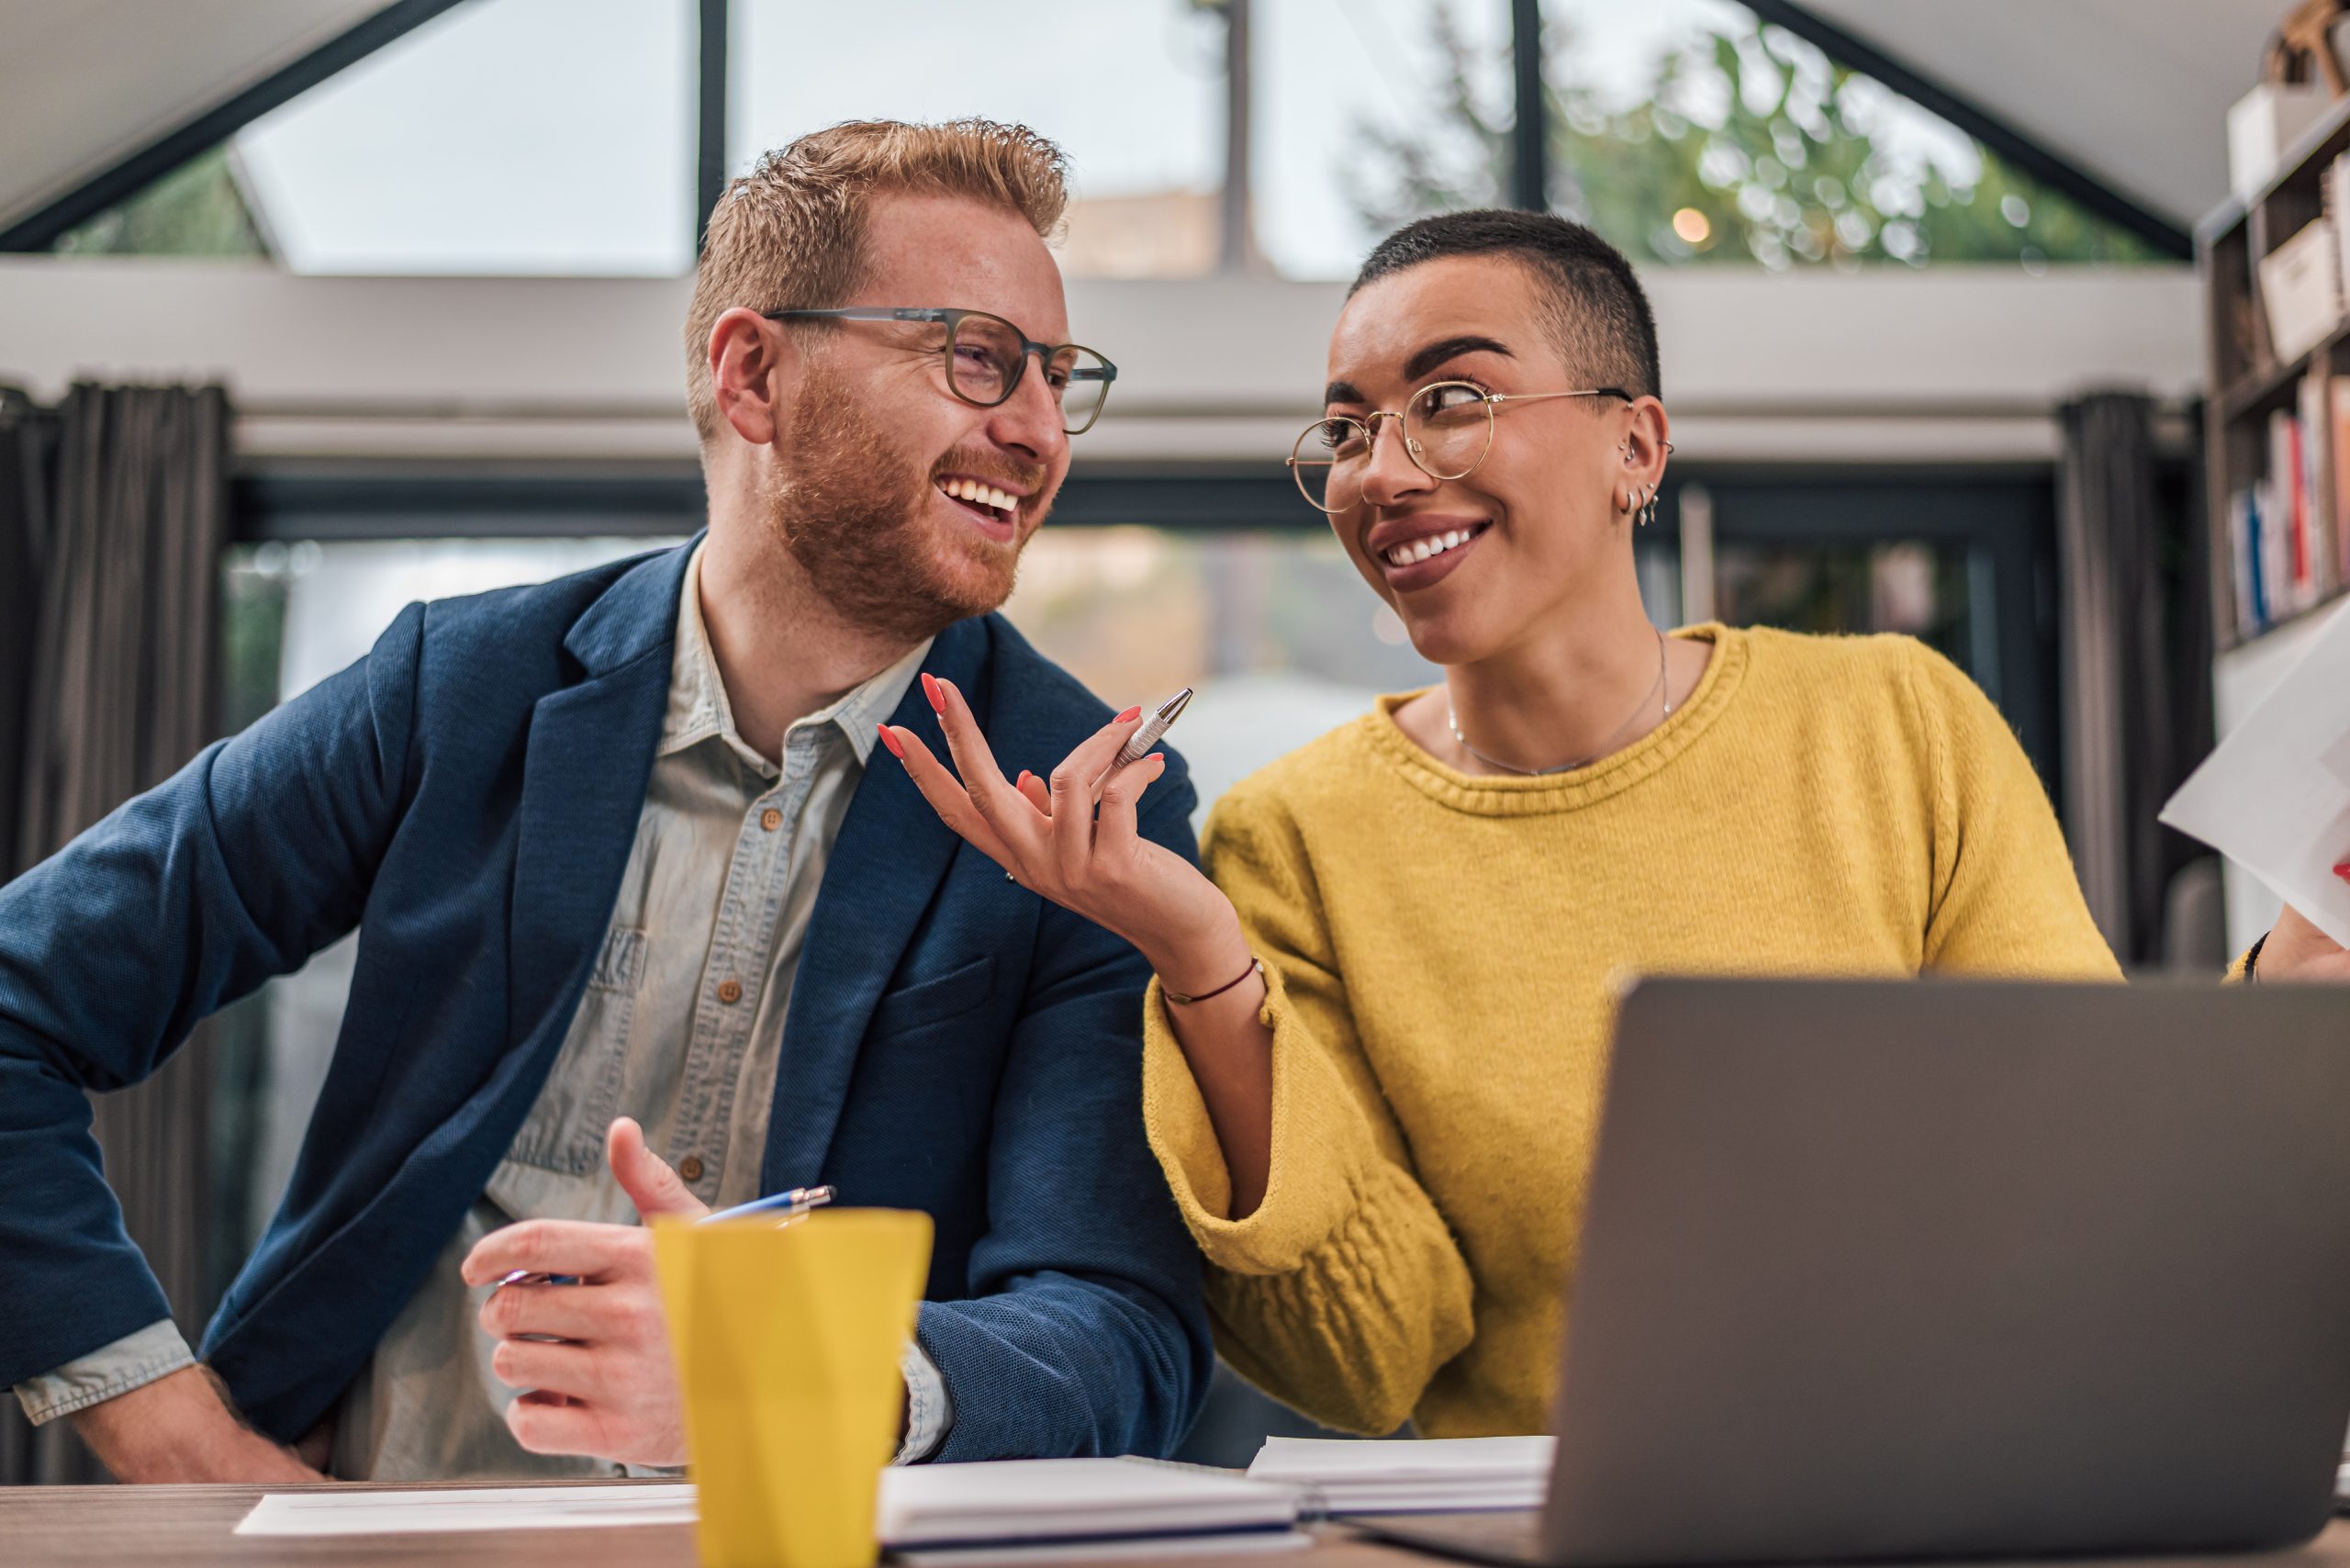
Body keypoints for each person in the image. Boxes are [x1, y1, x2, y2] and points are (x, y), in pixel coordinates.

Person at [0, 118, 1209, 1481]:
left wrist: (794, 1372)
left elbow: (1123, 1338)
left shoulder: (1091, 804)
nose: (1041, 432)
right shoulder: (452, 694)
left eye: (1060, 377)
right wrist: (172, 1439)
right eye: (978, 358)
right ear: (752, 372)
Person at [885, 207, 2121, 1441]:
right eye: (1351, 429)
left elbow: (2086, 1158)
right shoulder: (1292, 838)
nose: (1384, 471)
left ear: (1634, 444)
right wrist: (1203, 960)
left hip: (1957, 1488)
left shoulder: (1899, 724)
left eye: (1453, 399)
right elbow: (1371, 1360)